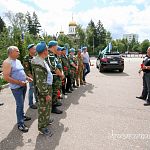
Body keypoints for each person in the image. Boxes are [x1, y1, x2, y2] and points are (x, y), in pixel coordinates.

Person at [2, 46, 32, 132]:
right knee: (20, 105)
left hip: (23, 85)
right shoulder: (7, 62)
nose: (19, 52)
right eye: (17, 51)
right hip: (17, 88)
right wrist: (19, 82)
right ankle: (20, 124)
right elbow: (6, 77)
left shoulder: (17, 61)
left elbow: (21, 72)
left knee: (22, 103)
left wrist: (26, 78)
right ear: (11, 52)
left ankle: (22, 116)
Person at [31, 41, 53, 135]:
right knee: (43, 108)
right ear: (44, 51)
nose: (48, 51)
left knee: (47, 107)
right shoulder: (38, 64)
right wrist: (46, 94)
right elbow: (40, 82)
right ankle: (42, 127)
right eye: (47, 49)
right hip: (43, 91)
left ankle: (46, 121)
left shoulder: (42, 60)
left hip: (47, 88)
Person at [47, 40, 64, 114]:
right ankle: (53, 108)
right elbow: (53, 67)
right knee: (53, 92)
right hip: (53, 77)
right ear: (53, 46)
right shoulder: (50, 55)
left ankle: (54, 103)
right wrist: (61, 74)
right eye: (56, 46)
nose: (57, 48)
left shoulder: (52, 54)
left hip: (55, 77)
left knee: (55, 91)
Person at [22, 44, 37, 109]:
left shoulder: (36, 56)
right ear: (30, 50)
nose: (35, 50)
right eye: (34, 49)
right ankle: (31, 103)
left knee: (36, 89)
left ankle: (37, 100)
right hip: (31, 77)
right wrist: (32, 77)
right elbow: (27, 70)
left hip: (37, 76)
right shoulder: (26, 58)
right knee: (31, 89)